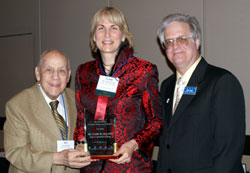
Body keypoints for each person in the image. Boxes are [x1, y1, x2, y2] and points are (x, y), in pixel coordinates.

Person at [74, 7, 163, 172]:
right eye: (100, 28)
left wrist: (132, 144)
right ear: (94, 36)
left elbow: (155, 122)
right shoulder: (83, 73)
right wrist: (80, 143)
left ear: (123, 36)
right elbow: (81, 119)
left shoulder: (143, 71)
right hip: (92, 167)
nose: (107, 34)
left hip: (129, 166)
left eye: (114, 28)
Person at [156, 13, 245, 172]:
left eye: (182, 39)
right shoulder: (166, 86)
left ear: (197, 42)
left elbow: (228, 151)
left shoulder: (222, 82)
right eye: (169, 42)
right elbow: (166, 144)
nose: (175, 46)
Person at [4, 50, 92, 173]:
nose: (55, 76)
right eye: (49, 70)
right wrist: (57, 158)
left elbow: (86, 135)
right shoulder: (17, 106)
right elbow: (15, 152)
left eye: (61, 70)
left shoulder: (78, 100)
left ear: (68, 76)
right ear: (37, 73)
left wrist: (84, 147)